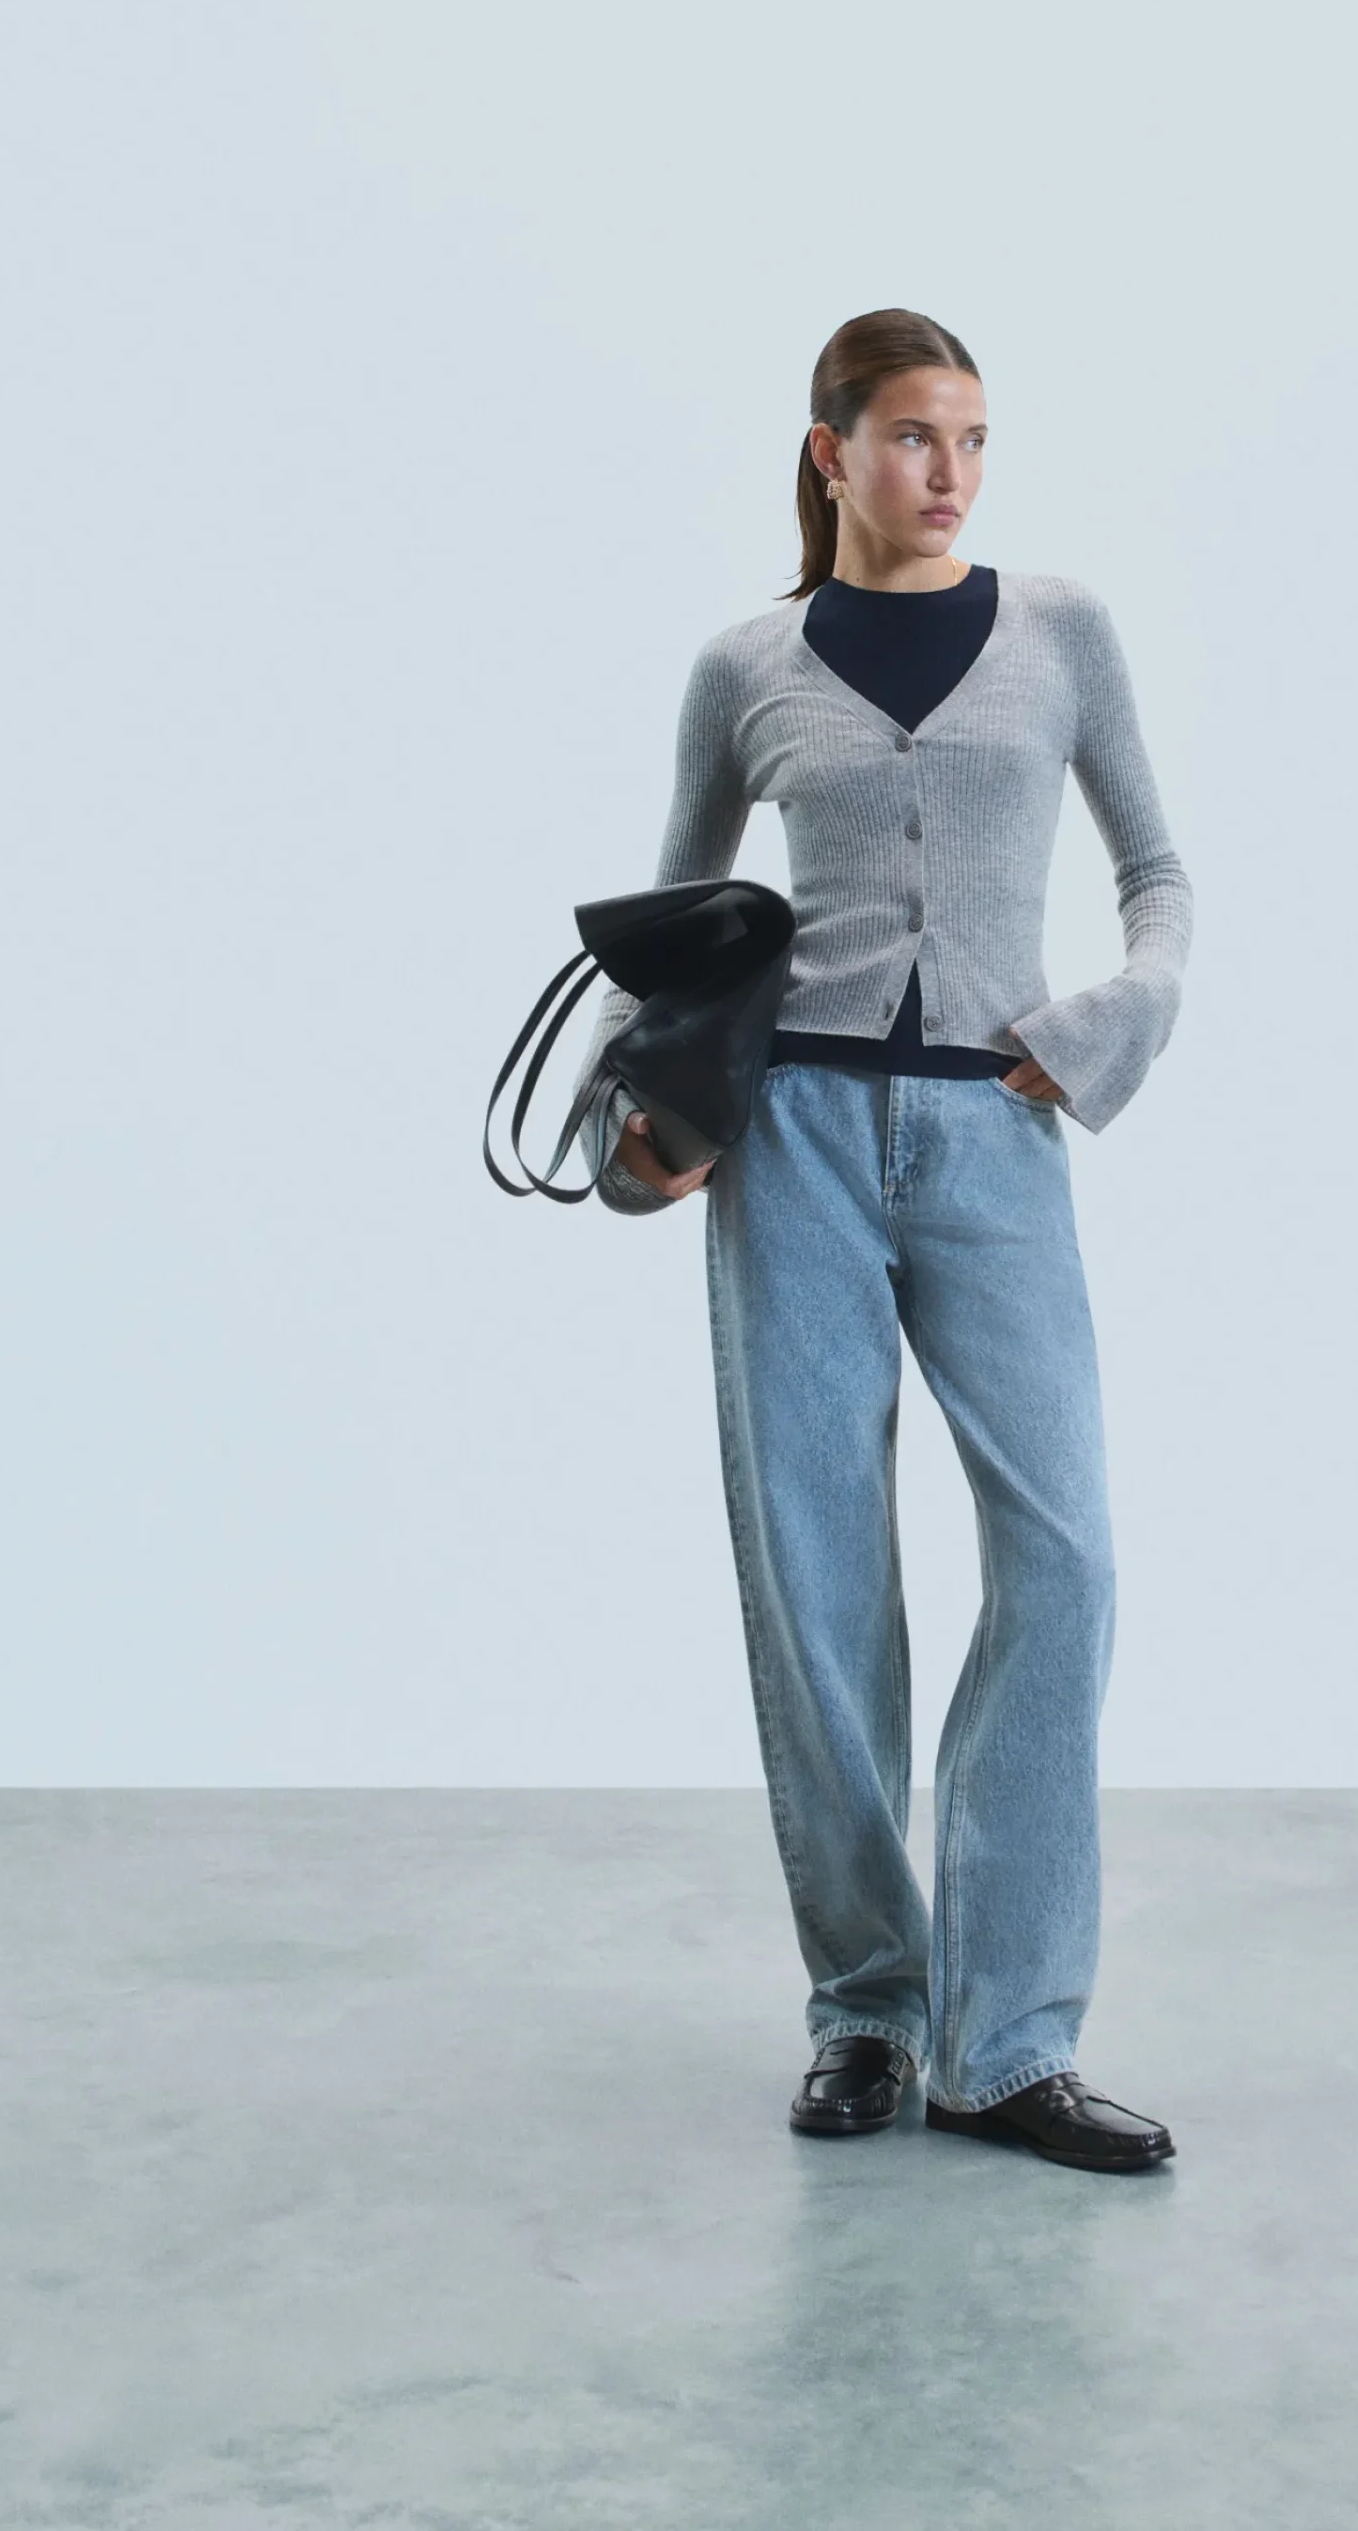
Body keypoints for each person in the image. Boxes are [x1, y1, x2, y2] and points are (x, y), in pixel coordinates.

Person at [574, 308, 1193, 2174]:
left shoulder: (1063, 633)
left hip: (1001, 1135)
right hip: (798, 1148)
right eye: (918, 436)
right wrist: (634, 1131)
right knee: (819, 1577)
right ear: (830, 449)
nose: (953, 474)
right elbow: (674, 926)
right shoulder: (744, 665)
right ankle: (866, 2007)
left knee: (1066, 1560)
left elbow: (1159, 879)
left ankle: (1006, 2046)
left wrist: (1106, 1027)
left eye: (976, 438)